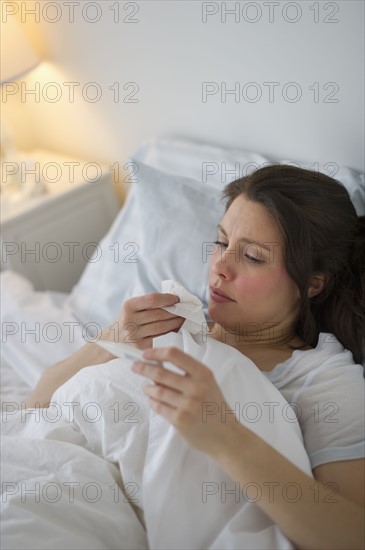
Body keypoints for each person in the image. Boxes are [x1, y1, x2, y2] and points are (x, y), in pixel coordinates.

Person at [27, 165, 365, 550]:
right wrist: (109, 340)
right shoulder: (173, 318)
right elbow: (37, 406)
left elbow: (352, 536)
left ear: (311, 284)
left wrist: (225, 438)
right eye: (221, 242)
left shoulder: (324, 382)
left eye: (253, 257)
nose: (220, 267)